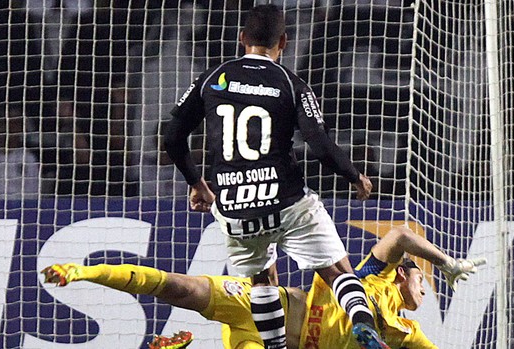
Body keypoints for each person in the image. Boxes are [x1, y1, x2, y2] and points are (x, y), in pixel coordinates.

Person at [163, 4, 381, 348]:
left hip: (236, 207)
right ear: (284, 41)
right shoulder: (291, 84)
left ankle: (274, 347)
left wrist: (197, 184)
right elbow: (321, 145)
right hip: (287, 202)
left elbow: (172, 137)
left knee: (262, 280)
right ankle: (363, 322)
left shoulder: (212, 77)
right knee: (338, 271)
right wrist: (355, 176)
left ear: (241, 39)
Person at [41, 225, 486, 349]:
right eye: (423, 279)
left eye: (430, 283)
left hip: (268, 343)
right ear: (406, 272)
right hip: (264, 305)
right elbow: (401, 237)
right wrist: (446, 263)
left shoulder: (406, 334)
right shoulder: (375, 275)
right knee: (180, 289)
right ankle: (83, 273)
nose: (427, 289)